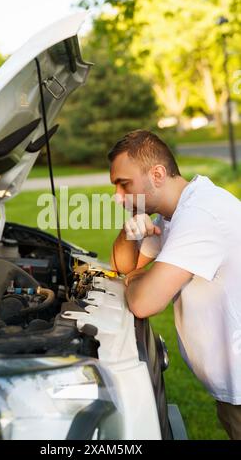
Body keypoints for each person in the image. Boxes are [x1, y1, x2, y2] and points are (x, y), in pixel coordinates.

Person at [109, 129, 241, 440]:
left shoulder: (201, 215)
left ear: (156, 174)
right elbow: (121, 266)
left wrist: (137, 279)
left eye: (124, 184)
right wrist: (129, 233)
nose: (117, 196)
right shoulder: (175, 214)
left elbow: (144, 301)